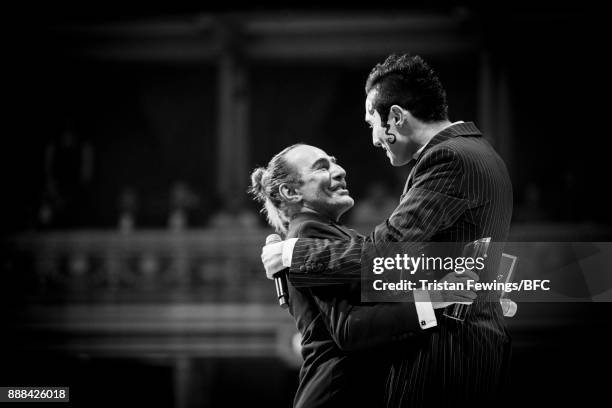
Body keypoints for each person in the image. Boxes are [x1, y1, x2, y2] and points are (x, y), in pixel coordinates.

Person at [261, 54, 513, 407]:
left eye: (372, 125)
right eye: (322, 166)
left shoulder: (450, 157)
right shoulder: (480, 153)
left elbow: (389, 251)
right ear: (290, 192)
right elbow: (353, 322)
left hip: (446, 358)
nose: (374, 139)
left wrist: (292, 254)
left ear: (395, 117)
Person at [250, 144, 478, 408]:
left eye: (334, 162)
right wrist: (431, 300)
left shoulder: (329, 235)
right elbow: (350, 329)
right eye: (322, 167)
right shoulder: (308, 233)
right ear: (290, 192)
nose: (339, 171)